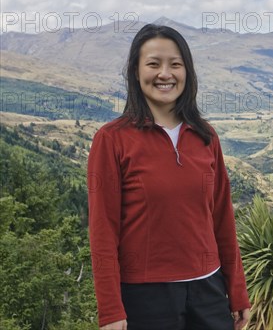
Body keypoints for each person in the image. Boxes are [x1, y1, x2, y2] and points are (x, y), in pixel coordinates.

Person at [87, 24, 251, 330]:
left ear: (187, 72)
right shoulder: (112, 139)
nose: (165, 74)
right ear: (135, 73)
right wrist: (110, 309)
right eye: (153, 64)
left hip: (209, 291)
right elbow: (103, 231)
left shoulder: (205, 136)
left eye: (175, 64)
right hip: (144, 297)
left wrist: (237, 291)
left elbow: (221, 219)